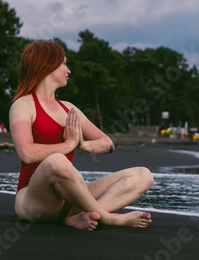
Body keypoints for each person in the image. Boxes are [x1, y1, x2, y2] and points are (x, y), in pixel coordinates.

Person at [9, 40, 154, 230]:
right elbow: (27, 153)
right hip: (35, 201)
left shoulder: (68, 108)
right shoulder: (23, 105)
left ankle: (81, 216)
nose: (68, 70)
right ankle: (110, 219)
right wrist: (68, 144)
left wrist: (81, 144)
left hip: (70, 198)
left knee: (144, 175)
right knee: (57, 161)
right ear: (46, 65)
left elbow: (107, 143)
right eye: (63, 63)